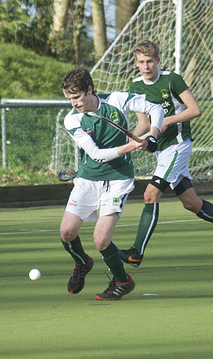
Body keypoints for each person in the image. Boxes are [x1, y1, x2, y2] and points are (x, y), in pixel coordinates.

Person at [119, 40, 213, 268]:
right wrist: (127, 143)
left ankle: (136, 253)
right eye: (141, 62)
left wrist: (165, 120)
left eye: (150, 61)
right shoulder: (136, 87)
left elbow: (195, 109)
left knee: (150, 195)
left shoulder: (172, 79)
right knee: (191, 203)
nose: (146, 66)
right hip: (162, 150)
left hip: (178, 146)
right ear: (136, 63)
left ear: (158, 60)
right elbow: (143, 123)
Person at [60, 67, 163, 301]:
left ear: (89, 89)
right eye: (69, 98)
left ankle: (122, 281)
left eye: (76, 97)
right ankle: (82, 263)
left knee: (101, 239)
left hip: (118, 180)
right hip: (88, 179)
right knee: (66, 232)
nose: (73, 103)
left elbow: (155, 108)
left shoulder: (116, 100)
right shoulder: (72, 119)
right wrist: (134, 145)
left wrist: (153, 134)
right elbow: (97, 154)